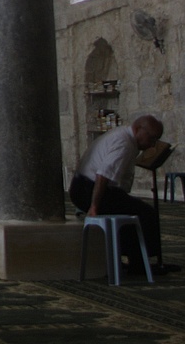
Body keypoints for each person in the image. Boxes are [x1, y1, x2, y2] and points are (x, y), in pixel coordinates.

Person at [69, 114, 166, 275]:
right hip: (88, 189)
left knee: (135, 212)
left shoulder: (124, 136)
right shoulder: (124, 143)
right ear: (138, 129)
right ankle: (139, 264)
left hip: (84, 187)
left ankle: (134, 261)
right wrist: (94, 206)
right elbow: (103, 175)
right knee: (146, 214)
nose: (152, 144)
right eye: (151, 138)